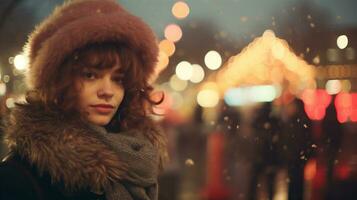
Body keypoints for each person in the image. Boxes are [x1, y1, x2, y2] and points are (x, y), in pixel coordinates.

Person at [0, 0, 167, 199]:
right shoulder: (19, 177)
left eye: (118, 79)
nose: (107, 91)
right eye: (90, 75)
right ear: (58, 81)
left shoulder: (139, 158)